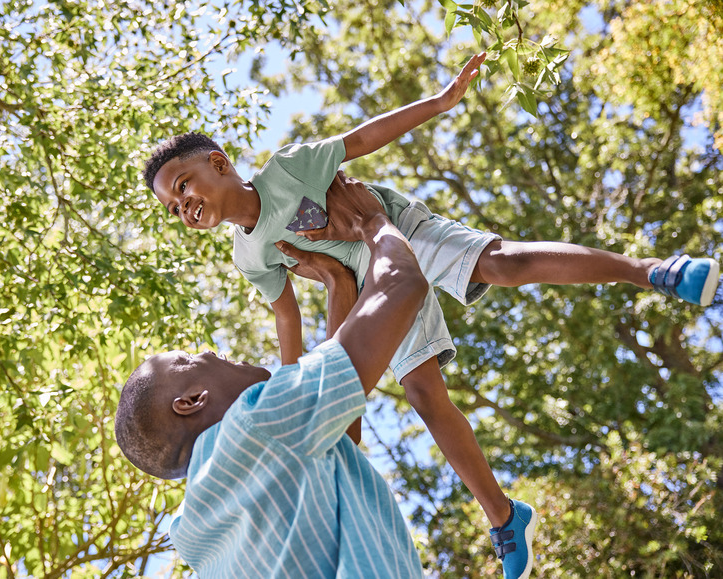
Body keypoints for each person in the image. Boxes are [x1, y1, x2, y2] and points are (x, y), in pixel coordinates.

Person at [140, 54, 719, 579]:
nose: (183, 206)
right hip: (373, 285)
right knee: (421, 392)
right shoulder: (248, 255)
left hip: (395, 231)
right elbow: (288, 321)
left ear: (218, 164)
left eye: (183, 186)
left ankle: (651, 270)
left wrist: (439, 103)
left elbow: (362, 139)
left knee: (501, 265)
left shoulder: (287, 170)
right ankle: (504, 515)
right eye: (173, 206)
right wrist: (296, 405)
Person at [116, 173, 433, 577]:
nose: (211, 349)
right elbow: (401, 286)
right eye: (191, 357)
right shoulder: (255, 424)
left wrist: (338, 281)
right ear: (191, 401)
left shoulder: (197, 533)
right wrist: (373, 222)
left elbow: (340, 435)